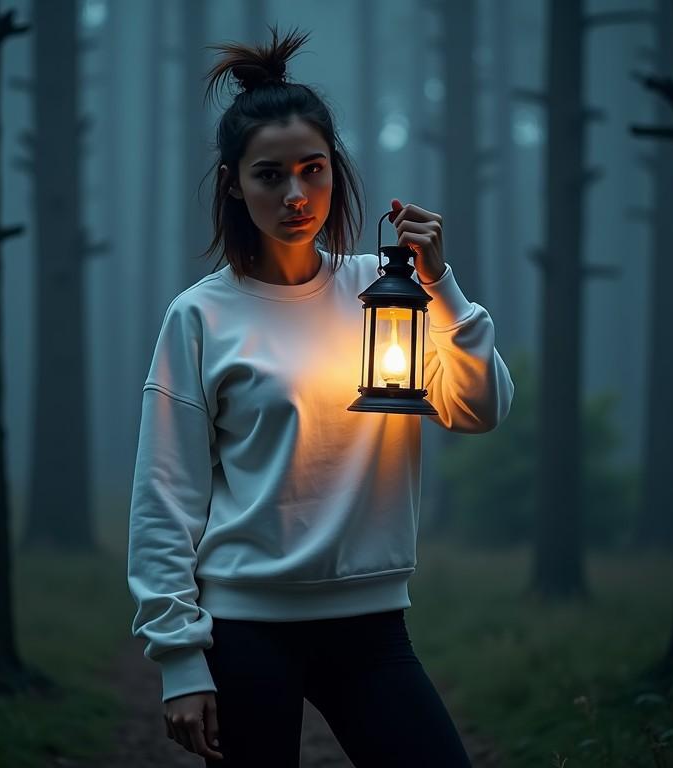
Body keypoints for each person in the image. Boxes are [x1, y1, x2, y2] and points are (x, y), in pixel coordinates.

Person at [127, 26, 514, 767]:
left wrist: (442, 284)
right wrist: (179, 659)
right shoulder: (201, 316)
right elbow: (165, 498)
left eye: (314, 169)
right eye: (270, 175)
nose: (296, 193)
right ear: (233, 184)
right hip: (244, 626)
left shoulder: (387, 293)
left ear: (336, 170)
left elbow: (479, 408)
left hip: (372, 626)